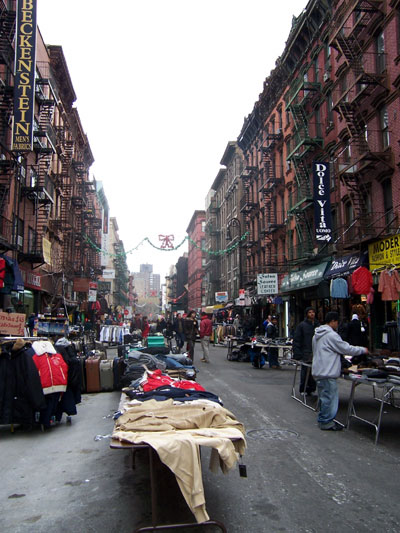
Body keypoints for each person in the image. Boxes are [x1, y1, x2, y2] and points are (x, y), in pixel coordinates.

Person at [312, 311, 368, 431]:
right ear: (332, 321)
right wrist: (362, 350)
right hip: (327, 371)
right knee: (329, 398)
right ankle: (326, 422)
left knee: (324, 397)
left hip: (319, 370)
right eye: (337, 322)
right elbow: (345, 348)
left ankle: (323, 419)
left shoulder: (316, 335)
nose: (338, 324)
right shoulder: (331, 335)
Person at [293, 307, 319, 396]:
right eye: (310, 312)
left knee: (314, 372)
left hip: (315, 352)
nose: (312, 314)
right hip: (305, 352)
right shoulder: (302, 325)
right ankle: (303, 388)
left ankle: (311, 388)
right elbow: (297, 339)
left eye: (313, 312)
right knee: (305, 371)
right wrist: (298, 353)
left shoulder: (317, 325)